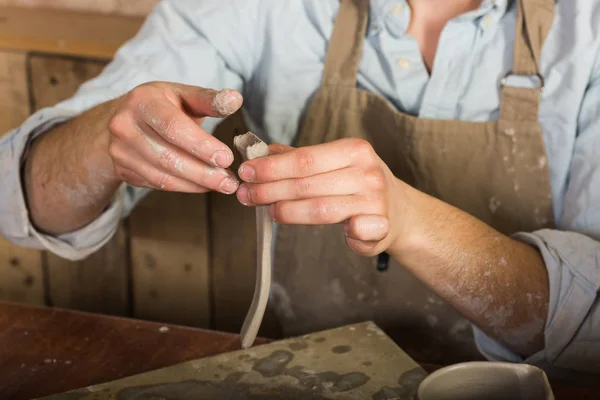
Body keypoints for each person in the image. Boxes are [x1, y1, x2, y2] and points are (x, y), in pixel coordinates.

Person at [1, 0, 599, 379]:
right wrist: (107, 139)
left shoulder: (586, 30)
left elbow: (592, 335)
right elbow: (20, 199)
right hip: (308, 376)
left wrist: (408, 220)